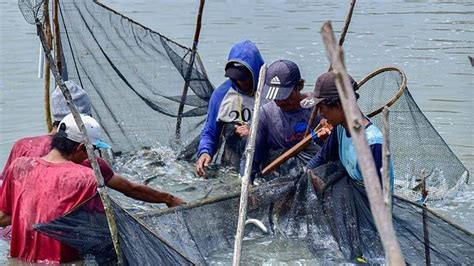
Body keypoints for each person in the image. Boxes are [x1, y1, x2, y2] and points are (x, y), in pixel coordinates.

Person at [0, 80, 184, 207]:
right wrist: (169, 198)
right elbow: (130, 189)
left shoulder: (21, 147)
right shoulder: (87, 163)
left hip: (17, 231)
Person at [0, 114, 108, 263]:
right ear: (81, 147)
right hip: (63, 262)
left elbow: (3, 217)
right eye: (93, 149)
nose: (91, 156)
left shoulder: (20, 166)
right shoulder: (86, 177)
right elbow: (100, 228)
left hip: (19, 261)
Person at [239, 60, 330, 184]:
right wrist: (247, 184)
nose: (280, 102)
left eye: (285, 96)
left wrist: (326, 136)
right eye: (276, 97)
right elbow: (250, 159)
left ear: (300, 86)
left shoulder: (318, 107)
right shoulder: (265, 115)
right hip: (280, 174)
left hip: (315, 170)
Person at [303, 71, 394, 189]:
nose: (320, 114)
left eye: (322, 108)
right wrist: (305, 173)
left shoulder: (372, 144)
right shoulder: (340, 127)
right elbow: (322, 157)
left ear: (340, 105)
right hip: (352, 189)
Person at [196, 40, 265, 177]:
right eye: (235, 79)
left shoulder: (272, 93)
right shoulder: (221, 95)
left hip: (265, 159)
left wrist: (254, 131)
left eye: (245, 79)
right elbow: (210, 131)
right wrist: (205, 151)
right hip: (232, 159)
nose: (240, 83)